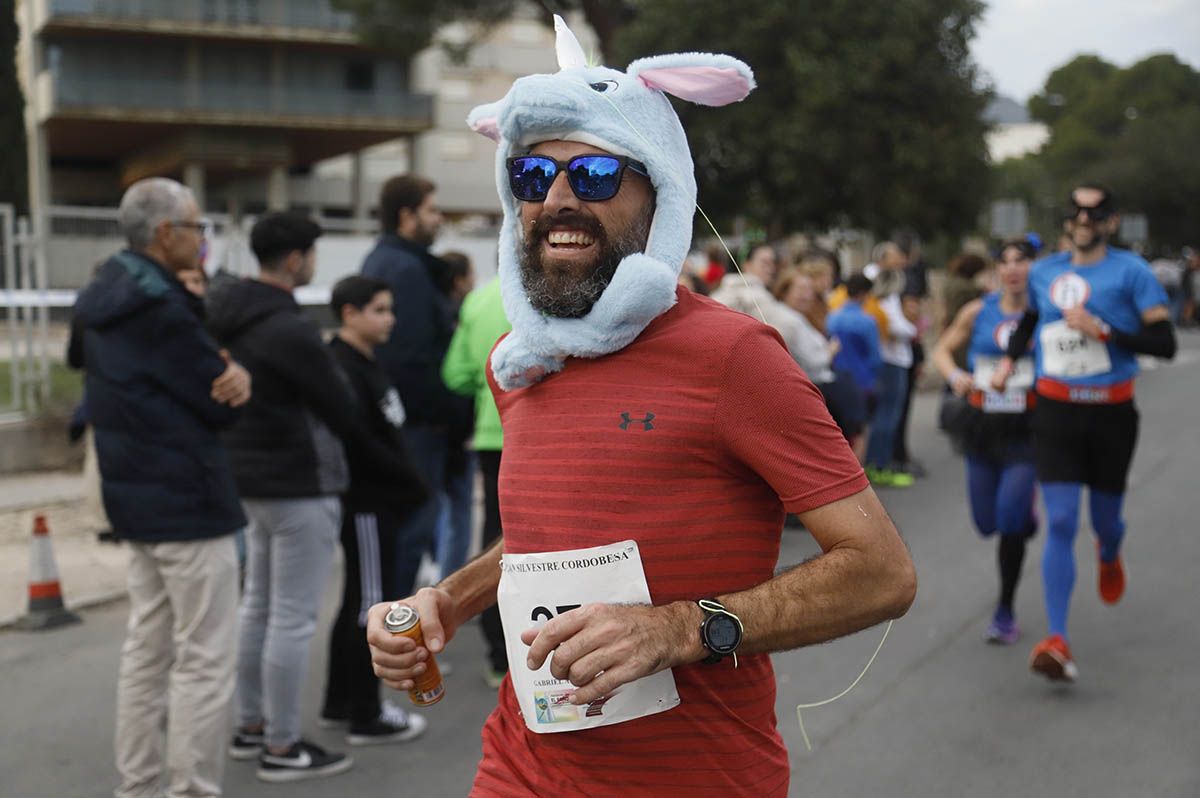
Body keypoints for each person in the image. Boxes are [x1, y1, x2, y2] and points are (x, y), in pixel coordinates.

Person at [366, 22, 915, 796]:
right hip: (517, 768)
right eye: (530, 175)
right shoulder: (519, 362)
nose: (557, 199)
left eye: (592, 174)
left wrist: (679, 628)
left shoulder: (734, 357)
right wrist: (447, 602)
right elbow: (543, 544)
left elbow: (882, 574)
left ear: (657, 191)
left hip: (694, 778)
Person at [73, 177, 251, 798]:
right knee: (204, 659)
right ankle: (191, 790)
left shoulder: (103, 290)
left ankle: (138, 786)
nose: (203, 239)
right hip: (188, 503)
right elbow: (220, 401)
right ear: (166, 233)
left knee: (145, 654)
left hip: (134, 499)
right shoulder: (163, 308)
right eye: (197, 227)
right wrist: (237, 378)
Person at [992, 184, 1176, 682]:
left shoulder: (1132, 272)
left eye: (1095, 213)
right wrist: (1010, 361)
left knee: (1105, 522)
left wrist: (1107, 332)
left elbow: (1166, 342)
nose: (1084, 219)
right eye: (1076, 211)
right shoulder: (1045, 271)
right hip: (1055, 412)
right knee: (1063, 520)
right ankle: (1057, 640)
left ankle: (1111, 552)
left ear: (1111, 221)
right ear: (1066, 219)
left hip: (1112, 415)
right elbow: (1032, 317)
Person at [208, 213, 358, 781]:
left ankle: (251, 726)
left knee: (259, 607)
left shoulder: (225, 317)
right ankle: (282, 744)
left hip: (246, 479)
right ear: (295, 259)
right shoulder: (290, 329)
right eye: (312, 253)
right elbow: (340, 406)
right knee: (292, 617)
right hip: (300, 482)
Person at [317, 275, 430, 744]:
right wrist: (409, 481)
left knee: (358, 602)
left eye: (390, 309)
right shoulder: (341, 366)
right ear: (350, 313)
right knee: (370, 606)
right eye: (380, 310)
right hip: (366, 504)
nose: (390, 319)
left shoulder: (366, 362)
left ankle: (340, 702)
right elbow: (361, 442)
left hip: (383, 502)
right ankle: (366, 713)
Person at [360, 175, 466, 602]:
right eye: (432, 210)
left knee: (410, 531)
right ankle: (399, 636)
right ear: (407, 216)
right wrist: (452, 414)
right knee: (411, 533)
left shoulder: (391, 261)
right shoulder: (405, 269)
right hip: (421, 426)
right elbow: (416, 358)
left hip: (411, 422)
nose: (438, 219)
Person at [932, 238, 1039, 644]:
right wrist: (955, 376)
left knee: (1010, 521)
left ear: (1033, 267)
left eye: (1021, 261)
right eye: (1005, 262)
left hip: (1028, 429)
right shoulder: (979, 310)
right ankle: (1024, 515)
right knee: (986, 522)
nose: (1013, 269)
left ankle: (1005, 610)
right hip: (982, 426)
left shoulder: (1042, 313)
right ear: (997, 271)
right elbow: (942, 349)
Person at [441, 274, 513, 688]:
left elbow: (456, 374)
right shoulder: (565, 291)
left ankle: (498, 657)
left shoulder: (479, 299)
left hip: (491, 432)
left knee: (495, 542)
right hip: (542, 432)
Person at [774, 269, 864, 448]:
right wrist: (830, 351)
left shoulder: (800, 317)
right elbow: (812, 362)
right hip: (817, 387)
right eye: (800, 290)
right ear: (785, 291)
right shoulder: (790, 321)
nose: (806, 295)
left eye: (808, 290)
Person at [430, 251, 477, 581]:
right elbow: (457, 377)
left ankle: (438, 572)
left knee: (439, 506)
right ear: (459, 280)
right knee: (459, 511)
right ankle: (451, 580)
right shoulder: (462, 315)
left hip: (433, 430)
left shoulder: (429, 315)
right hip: (460, 431)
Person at [861, 242, 917, 488]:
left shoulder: (884, 279)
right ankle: (878, 465)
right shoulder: (880, 281)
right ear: (882, 258)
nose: (900, 261)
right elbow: (891, 322)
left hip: (891, 356)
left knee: (885, 414)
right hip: (889, 358)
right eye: (895, 256)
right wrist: (913, 329)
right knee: (886, 414)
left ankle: (879, 463)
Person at [827, 273, 882, 464]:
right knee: (861, 431)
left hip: (836, 380)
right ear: (863, 294)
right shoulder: (867, 321)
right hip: (862, 380)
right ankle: (858, 476)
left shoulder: (831, 317)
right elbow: (875, 357)